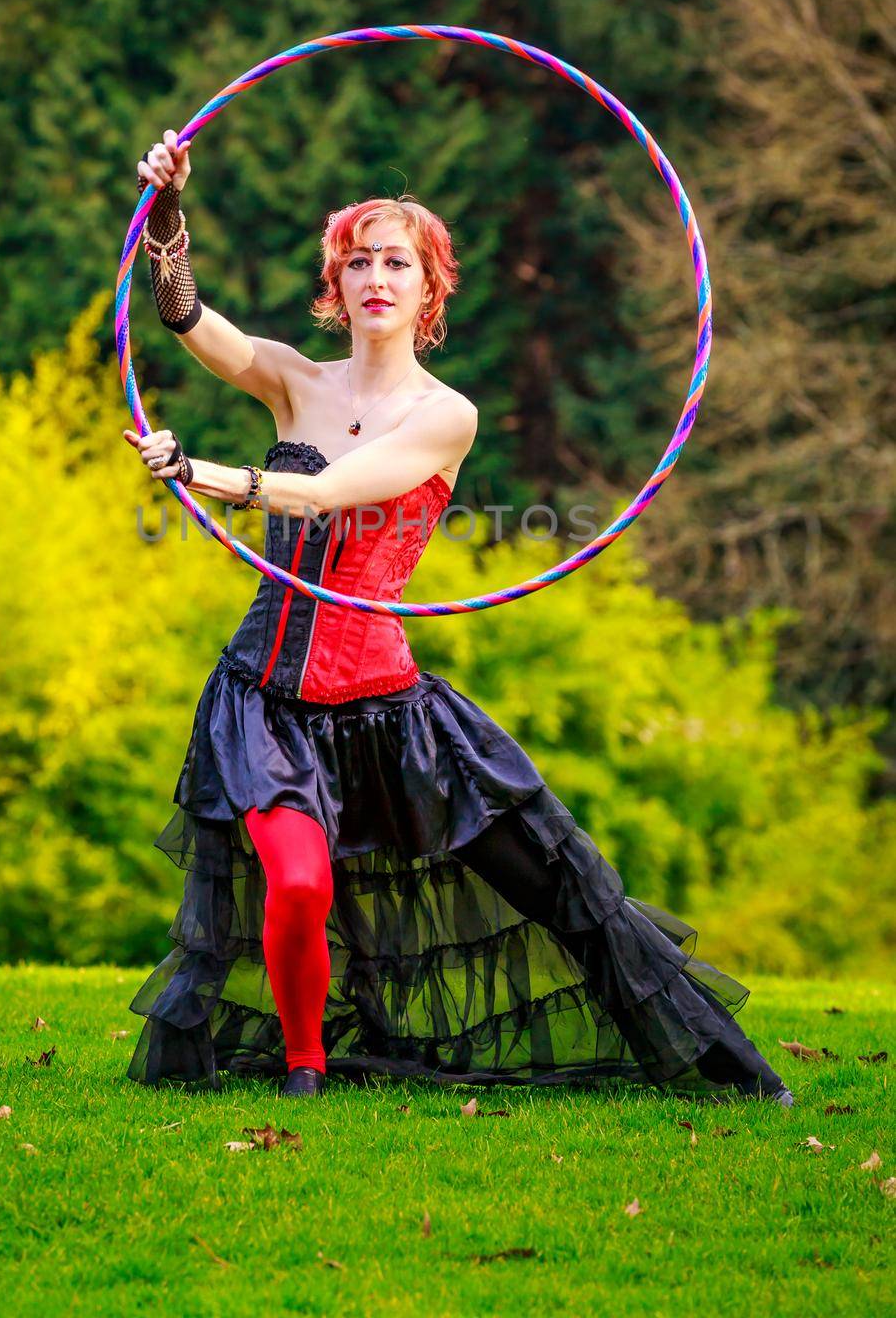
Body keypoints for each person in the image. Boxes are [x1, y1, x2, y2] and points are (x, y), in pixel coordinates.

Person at [122, 128, 795, 1108]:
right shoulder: (296, 382)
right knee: (300, 883)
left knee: (562, 884)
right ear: (336, 282)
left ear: (428, 289)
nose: (376, 277)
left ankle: (711, 1060)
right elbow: (188, 320)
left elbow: (325, 494)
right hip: (264, 695)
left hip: (387, 705)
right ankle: (305, 1069)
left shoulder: (446, 417)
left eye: (397, 261)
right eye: (358, 260)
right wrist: (170, 211)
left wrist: (197, 473)